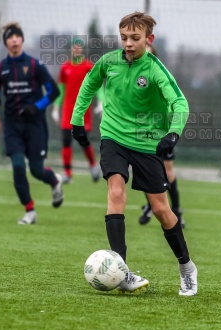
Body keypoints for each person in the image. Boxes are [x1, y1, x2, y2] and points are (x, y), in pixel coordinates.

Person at [70, 11, 198, 296]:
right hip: (113, 137)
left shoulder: (155, 69)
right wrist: (77, 120)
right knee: (116, 192)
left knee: (160, 210)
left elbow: (180, 102)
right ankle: (122, 271)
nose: (128, 43)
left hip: (147, 143)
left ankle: (187, 267)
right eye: (124, 37)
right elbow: (89, 84)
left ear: (148, 40)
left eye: (135, 38)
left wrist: (173, 133)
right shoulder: (109, 62)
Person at [0, 22, 64, 225]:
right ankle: (30, 211)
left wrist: (36, 107)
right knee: (18, 166)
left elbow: (54, 91)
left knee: (37, 170)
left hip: (35, 124)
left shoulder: (35, 65)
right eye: (9, 38)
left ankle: (54, 181)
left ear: (21, 40)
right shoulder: (0, 68)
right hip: (12, 125)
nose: (13, 40)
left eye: (16, 37)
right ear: (5, 43)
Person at [138, 43, 185, 229]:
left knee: (168, 171)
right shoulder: (136, 77)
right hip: (142, 132)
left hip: (162, 131)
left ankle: (177, 211)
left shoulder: (159, 75)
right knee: (142, 170)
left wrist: (171, 129)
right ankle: (151, 205)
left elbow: (175, 101)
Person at [51, 38, 101, 184]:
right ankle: (67, 173)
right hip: (68, 110)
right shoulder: (65, 68)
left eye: (79, 47)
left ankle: (93, 165)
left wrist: (101, 102)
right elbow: (61, 89)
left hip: (83, 110)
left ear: (83, 50)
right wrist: (56, 108)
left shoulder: (88, 67)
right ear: (71, 49)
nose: (77, 50)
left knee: (83, 141)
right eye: (75, 47)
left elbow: (97, 86)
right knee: (66, 141)